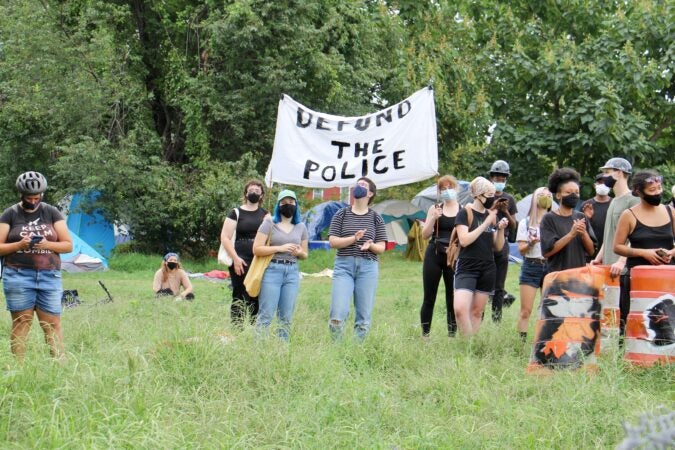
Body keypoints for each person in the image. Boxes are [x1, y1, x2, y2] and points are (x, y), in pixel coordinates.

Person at [0, 171, 73, 360]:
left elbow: (67, 245)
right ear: (21, 195)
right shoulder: (10, 214)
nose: (33, 201)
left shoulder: (51, 212)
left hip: (49, 275)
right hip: (17, 275)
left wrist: (47, 244)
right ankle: (18, 369)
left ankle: (60, 365)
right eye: (29, 197)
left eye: (36, 197)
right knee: (21, 322)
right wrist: (19, 245)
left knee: (52, 323)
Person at [613, 170, 674, 336]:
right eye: (652, 191)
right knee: (636, 325)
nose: (657, 193)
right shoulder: (629, 215)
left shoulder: (670, 211)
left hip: (667, 277)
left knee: (667, 323)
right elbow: (617, 246)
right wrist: (644, 253)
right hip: (638, 277)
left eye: (659, 188)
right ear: (639, 192)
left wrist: (671, 252)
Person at [328, 177, 387, 341]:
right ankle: (338, 351)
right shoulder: (341, 214)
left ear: (370, 193)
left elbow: (381, 247)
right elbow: (333, 242)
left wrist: (371, 246)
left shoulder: (376, 217)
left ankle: (356, 352)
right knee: (337, 314)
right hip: (344, 266)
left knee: (363, 317)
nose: (358, 187)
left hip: (368, 267)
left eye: (363, 185)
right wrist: (354, 238)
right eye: (357, 184)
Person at [453, 177, 509, 337]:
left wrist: (500, 229)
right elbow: (464, 240)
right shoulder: (465, 213)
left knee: (477, 312)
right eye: (489, 194)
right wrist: (486, 224)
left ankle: (471, 347)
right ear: (478, 195)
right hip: (467, 266)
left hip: (487, 267)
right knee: (460, 309)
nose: (493, 198)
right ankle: (467, 343)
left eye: (494, 194)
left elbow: (497, 247)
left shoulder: (491, 215)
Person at [253, 190, 308, 341]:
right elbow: (256, 249)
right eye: (284, 202)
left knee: (286, 316)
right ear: (278, 205)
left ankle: (281, 351)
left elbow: (305, 254)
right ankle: (258, 350)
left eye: (291, 202)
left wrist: (299, 252)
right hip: (272, 270)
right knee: (266, 314)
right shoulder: (269, 222)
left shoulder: (301, 227)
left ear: (296, 205)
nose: (288, 205)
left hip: (292, 272)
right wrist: (279, 248)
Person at [220, 180, 268, 326]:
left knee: (256, 294)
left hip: (259, 259)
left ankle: (255, 328)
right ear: (246, 193)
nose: (254, 192)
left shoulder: (266, 214)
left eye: (257, 190)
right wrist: (235, 259)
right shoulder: (236, 212)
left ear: (261, 195)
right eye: (251, 190)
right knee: (239, 294)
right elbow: (225, 237)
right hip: (240, 259)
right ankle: (237, 328)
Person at [420, 175, 459, 337]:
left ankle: (452, 335)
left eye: (449, 188)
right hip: (434, 253)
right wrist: (433, 218)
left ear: (456, 189)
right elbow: (424, 234)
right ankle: (425, 334)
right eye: (443, 189)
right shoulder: (434, 208)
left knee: (452, 297)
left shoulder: (464, 209)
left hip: (453, 256)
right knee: (429, 296)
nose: (447, 191)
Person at [515, 187, 553, 341]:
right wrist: (531, 242)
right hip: (531, 265)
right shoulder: (525, 223)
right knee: (526, 310)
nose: (545, 197)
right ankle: (521, 343)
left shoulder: (553, 222)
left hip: (550, 266)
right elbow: (521, 250)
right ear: (535, 199)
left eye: (548, 195)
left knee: (548, 309)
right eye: (541, 195)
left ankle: (544, 342)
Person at [591, 158, 639, 278]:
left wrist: (622, 262)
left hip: (624, 270)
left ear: (619, 173)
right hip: (609, 268)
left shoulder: (634, 200)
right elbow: (609, 235)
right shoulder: (613, 201)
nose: (604, 176)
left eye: (607, 172)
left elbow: (637, 237)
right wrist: (598, 259)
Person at [540, 168, 595, 272]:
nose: (573, 195)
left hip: (579, 276)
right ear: (558, 195)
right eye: (568, 192)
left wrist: (583, 233)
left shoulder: (581, 217)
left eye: (577, 192)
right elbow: (547, 252)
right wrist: (571, 234)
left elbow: (591, 251)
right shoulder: (549, 218)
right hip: (557, 277)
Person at [487, 160, 518, 322]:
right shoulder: (485, 195)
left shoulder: (509, 199)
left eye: (503, 179)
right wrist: (493, 207)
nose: (500, 181)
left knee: (499, 285)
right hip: (485, 243)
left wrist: (505, 210)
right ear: (491, 177)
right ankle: (480, 317)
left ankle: (496, 319)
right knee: (484, 283)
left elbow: (513, 226)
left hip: (502, 243)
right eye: (497, 178)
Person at [581, 173, 613, 258]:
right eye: (600, 183)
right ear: (595, 185)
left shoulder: (615, 204)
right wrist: (587, 218)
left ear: (610, 186)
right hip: (590, 252)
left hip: (610, 251)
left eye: (605, 183)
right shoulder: (586, 205)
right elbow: (580, 228)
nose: (602, 185)